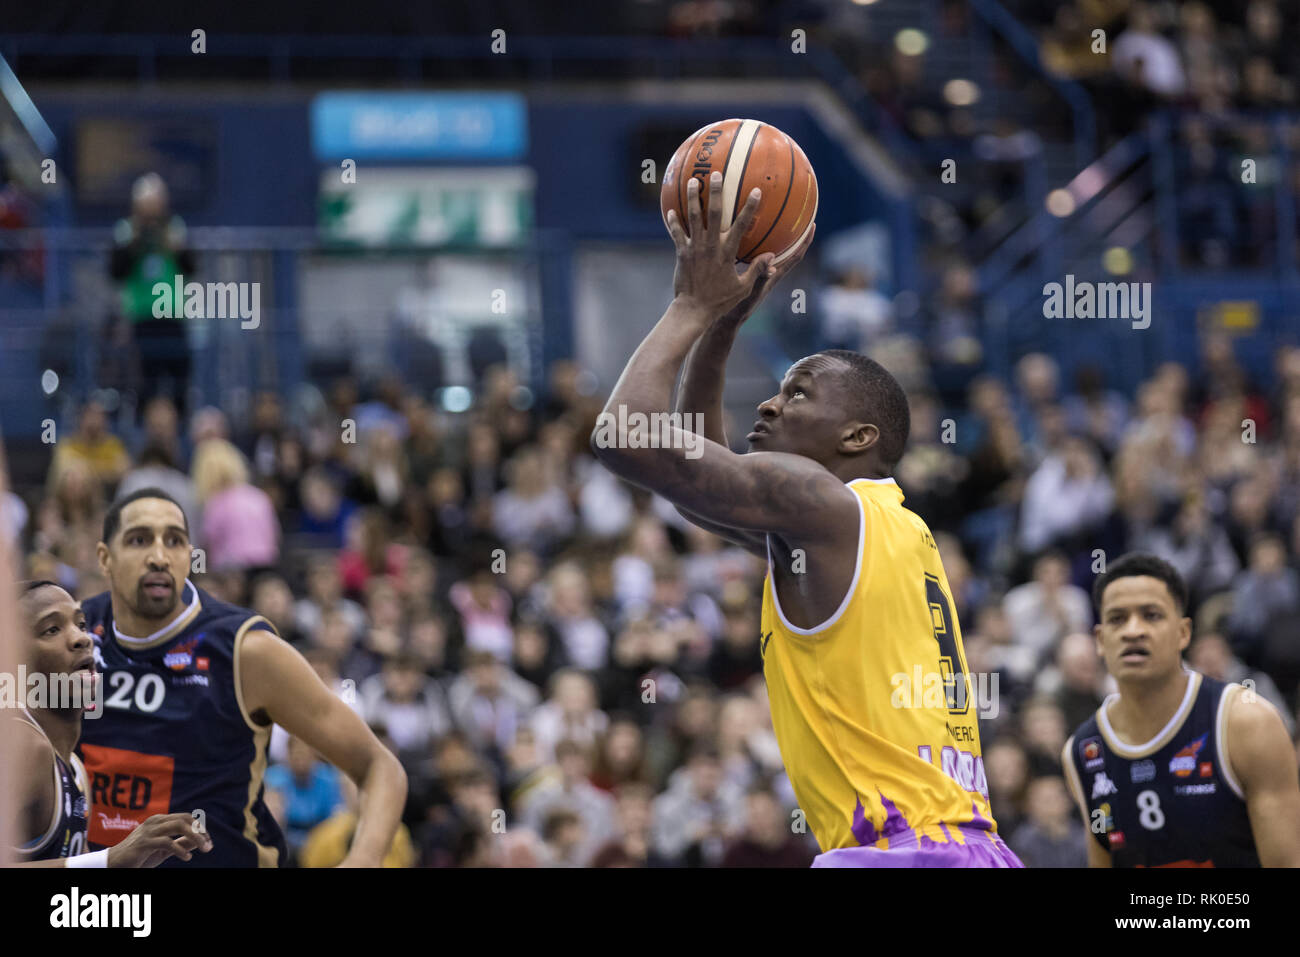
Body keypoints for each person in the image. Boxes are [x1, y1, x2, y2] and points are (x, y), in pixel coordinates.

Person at [590, 171, 1019, 867]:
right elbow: (698, 485)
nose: (768, 404)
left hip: (900, 853)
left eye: (797, 392)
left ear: (856, 438)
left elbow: (625, 438)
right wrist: (726, 326)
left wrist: (689, 307)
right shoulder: (883, 524)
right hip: (967, 845)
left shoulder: (819, 503)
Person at [77, 487, 406, 867]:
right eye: (139, 540)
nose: (159, 556)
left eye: (175, 541)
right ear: (105, 558)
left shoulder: (246, 650)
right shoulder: (73, 638)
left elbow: (381, 767)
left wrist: (362, 860)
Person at [1063, 553, 1300, 867]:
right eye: (1117, 618)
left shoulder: (1246, 722)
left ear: (1183, 633)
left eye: (1151, 615)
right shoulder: (1082, 752)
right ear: (1100, 639)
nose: (1133, 630)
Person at [12, 580, 211, 867]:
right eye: (52, 629)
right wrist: (110, 858)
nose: (83, 638)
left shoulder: (74, 768)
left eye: (81, 624)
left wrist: (130, 860)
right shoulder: (24, 747)